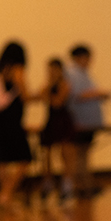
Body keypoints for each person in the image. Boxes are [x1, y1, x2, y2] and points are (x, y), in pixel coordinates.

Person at [0, 41, 31, 209]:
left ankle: (3, 194)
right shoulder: (17, 70)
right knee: (24, 157)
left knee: (2, 159)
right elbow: (24, 94)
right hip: (12, 121)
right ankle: (6, 194)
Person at [63, 44, 111, 200]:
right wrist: (98, 93)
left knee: (84, 152)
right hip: (80, 121)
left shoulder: (84, 74)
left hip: (88, 121)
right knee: (78, 153)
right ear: (80, 58)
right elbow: (77, 95)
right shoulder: (72, 74)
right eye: (88, 58)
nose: (90, 61)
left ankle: (86, 183)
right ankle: (79, 184)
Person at [35, 58, 73, 199]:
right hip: (50, 120)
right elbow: (40, 95)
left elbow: (58, 102)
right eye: (49, 70)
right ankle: (48, 181)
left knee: (64, 152)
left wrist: (47, 95)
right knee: (47, 153)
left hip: (62, 120)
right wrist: (47, 91)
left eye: (54, 70)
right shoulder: (48, 85)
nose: (51, 73)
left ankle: (66, 183)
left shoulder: (65, 84)